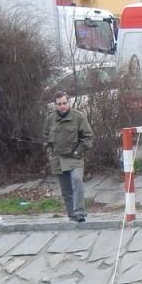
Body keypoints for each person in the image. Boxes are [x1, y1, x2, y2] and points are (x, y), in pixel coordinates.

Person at [45, 89, 95, 223]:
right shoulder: (50, 119)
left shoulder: (78, 117)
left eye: (64, 103)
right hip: (57, 158)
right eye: (59, 104)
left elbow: (88, 137)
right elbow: (45, 137)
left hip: (74, 157)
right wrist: (49, 151)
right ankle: (72, 214)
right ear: (55, 105)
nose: (62, 106)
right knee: (66, 189)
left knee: (77, 180)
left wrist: (78, 151)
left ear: (69, 102)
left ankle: (80, 212)